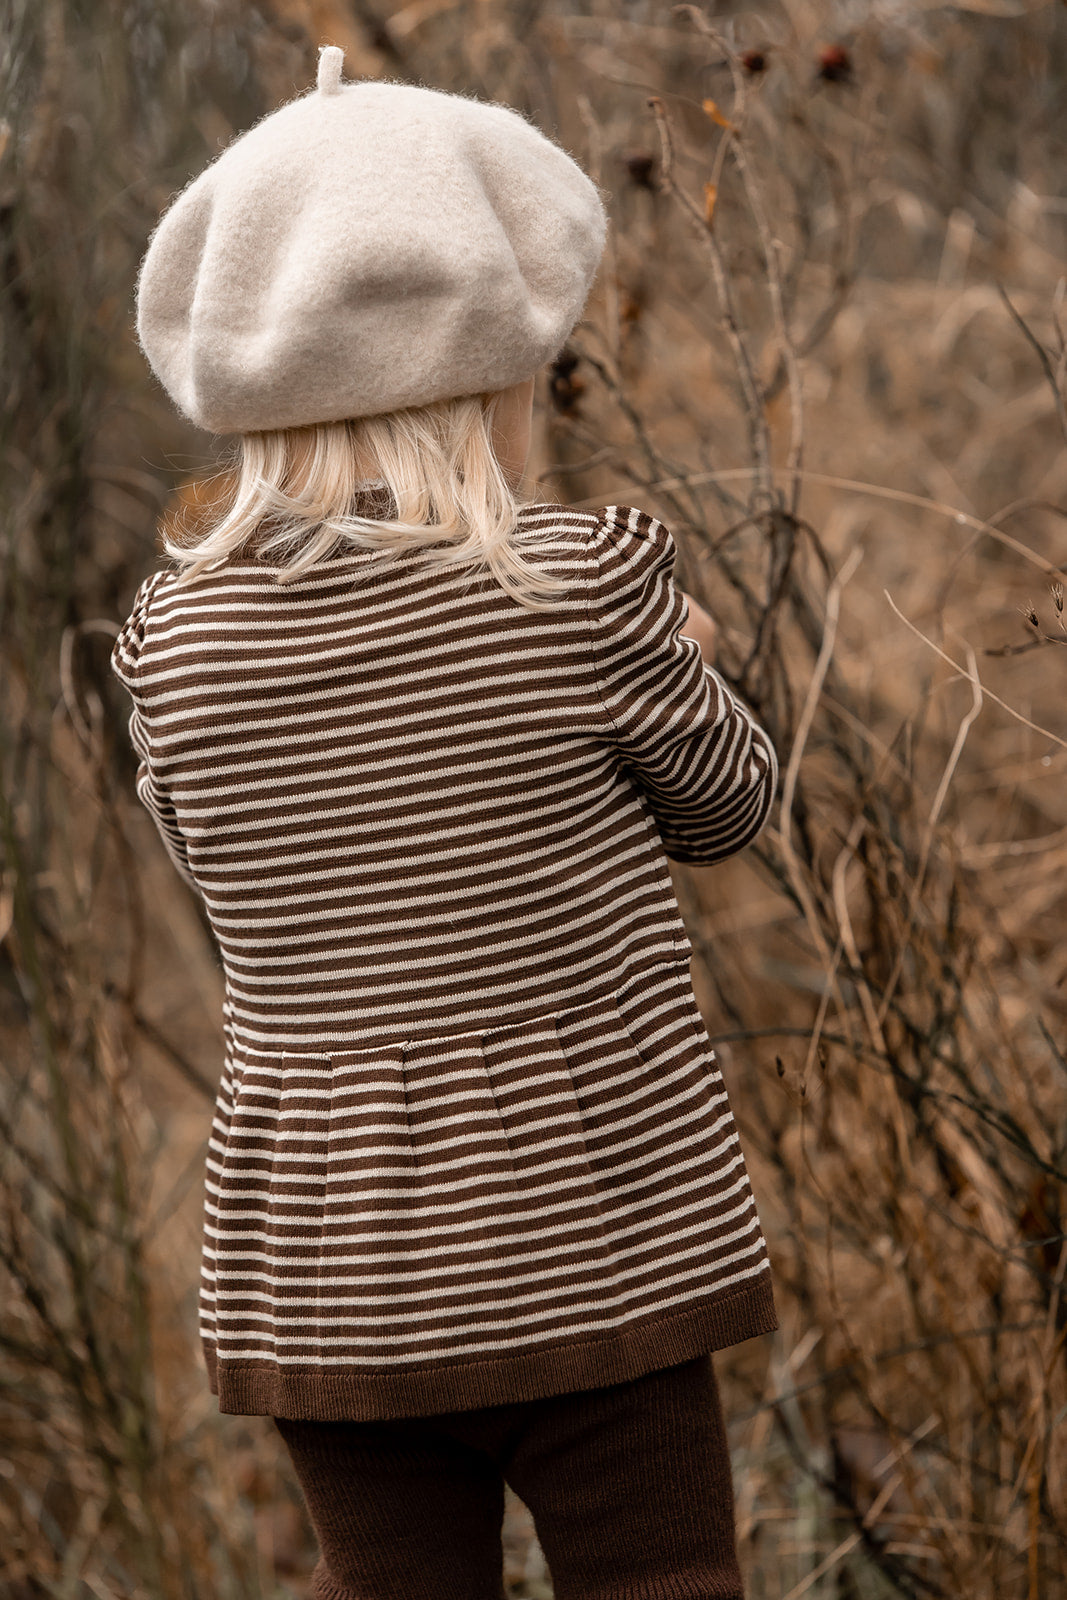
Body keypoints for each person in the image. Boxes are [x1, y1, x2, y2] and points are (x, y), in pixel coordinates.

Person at [112, 45, 779, 1600]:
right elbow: (733, 804)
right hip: (590, 1229)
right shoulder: (576, 585)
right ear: (505, 365)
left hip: (321, 1277)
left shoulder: (174, 642)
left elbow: (224, 888)